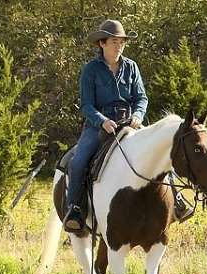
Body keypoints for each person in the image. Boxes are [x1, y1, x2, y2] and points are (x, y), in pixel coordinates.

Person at [63, 19, 147, 232]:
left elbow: (141, 98)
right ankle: (74, 209)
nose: (119, 46)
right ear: (102, 43)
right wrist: (102, 121)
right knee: (79, 161)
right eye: (114, 42)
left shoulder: (132, 67)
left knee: (162, 146)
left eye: (122, 42)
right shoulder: (90, 70)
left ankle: (177, 199)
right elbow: (86, 105)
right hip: (98, 127)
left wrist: (138, 115)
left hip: (129, 123)